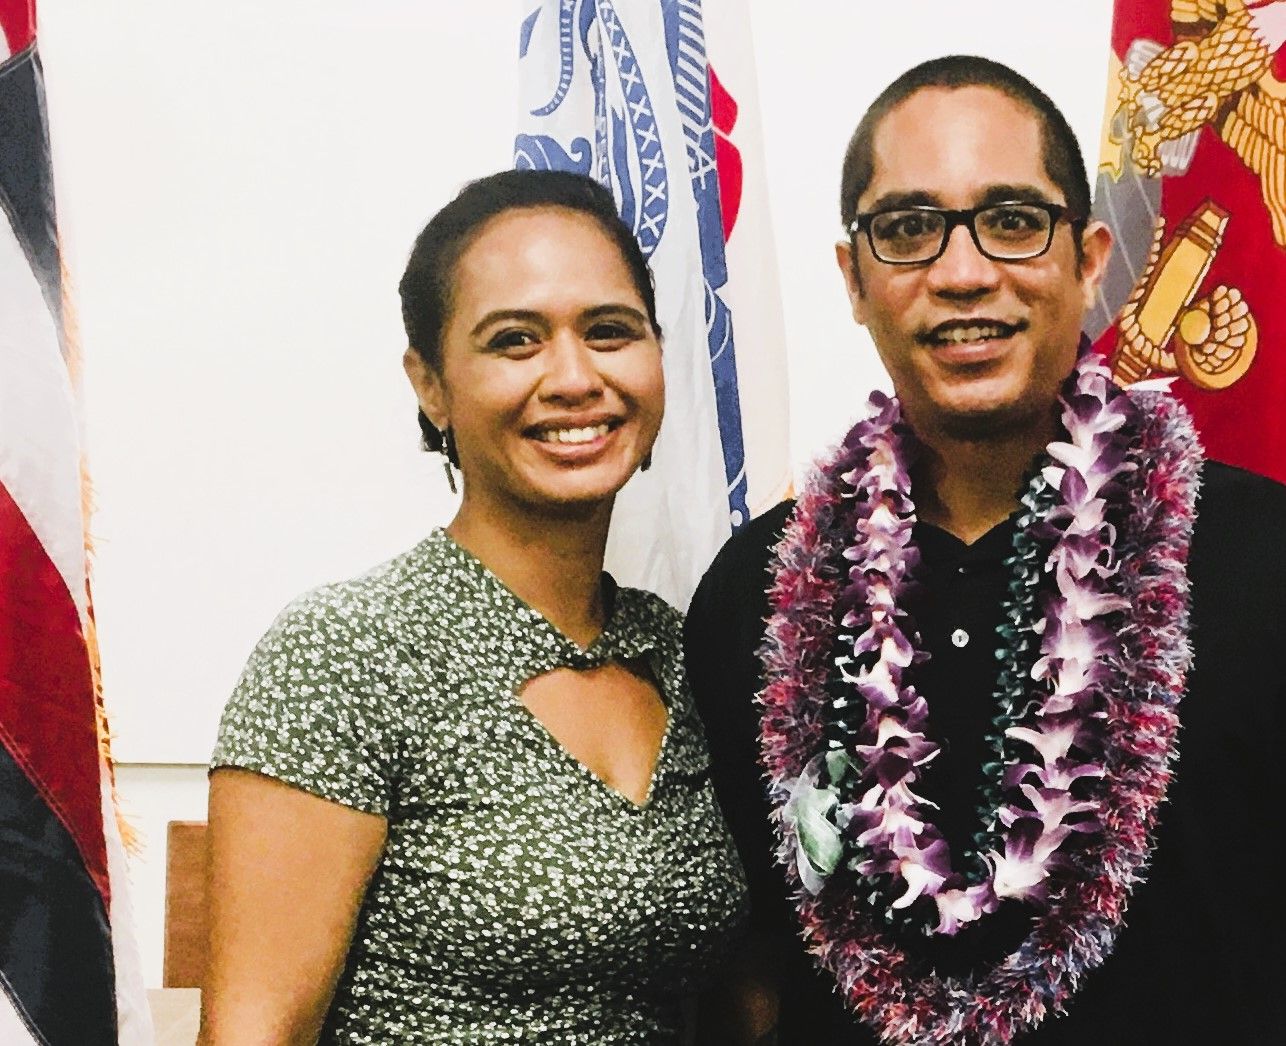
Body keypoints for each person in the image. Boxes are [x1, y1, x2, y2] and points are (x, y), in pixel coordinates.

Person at [685, 56, 1286, 1044]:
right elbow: (750, 965)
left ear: (1089, 257)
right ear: (853, 276)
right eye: (908, 228)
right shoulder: (755, 593)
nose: (962, 272)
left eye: (1010, 219)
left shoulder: (1260, 558)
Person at [201, 169, 747, 1044]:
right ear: (431, 384)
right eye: (514, 341)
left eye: (609, 332)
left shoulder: (685, 651)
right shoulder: (346, 656)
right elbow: (256, 1029)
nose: (574, 377)